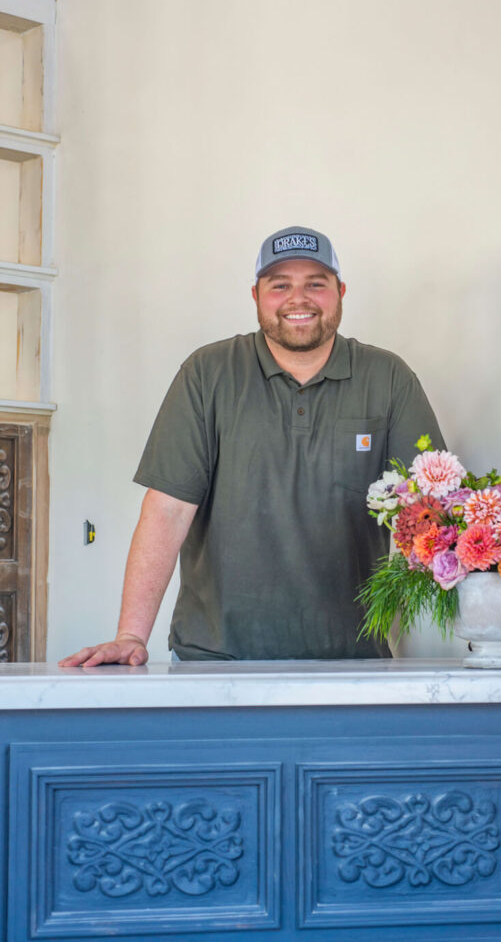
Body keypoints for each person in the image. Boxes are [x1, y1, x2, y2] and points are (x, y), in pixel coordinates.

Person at [60, 226, 447, 667]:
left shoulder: (388, 378)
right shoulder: (208, 374)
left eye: (315, 284)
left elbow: (436, 515)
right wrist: (130, 634)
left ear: (340, 292)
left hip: (352, 659)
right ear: (256, 295)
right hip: (215, 659)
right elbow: (167, 509)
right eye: (279, 285)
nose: (297, 299)